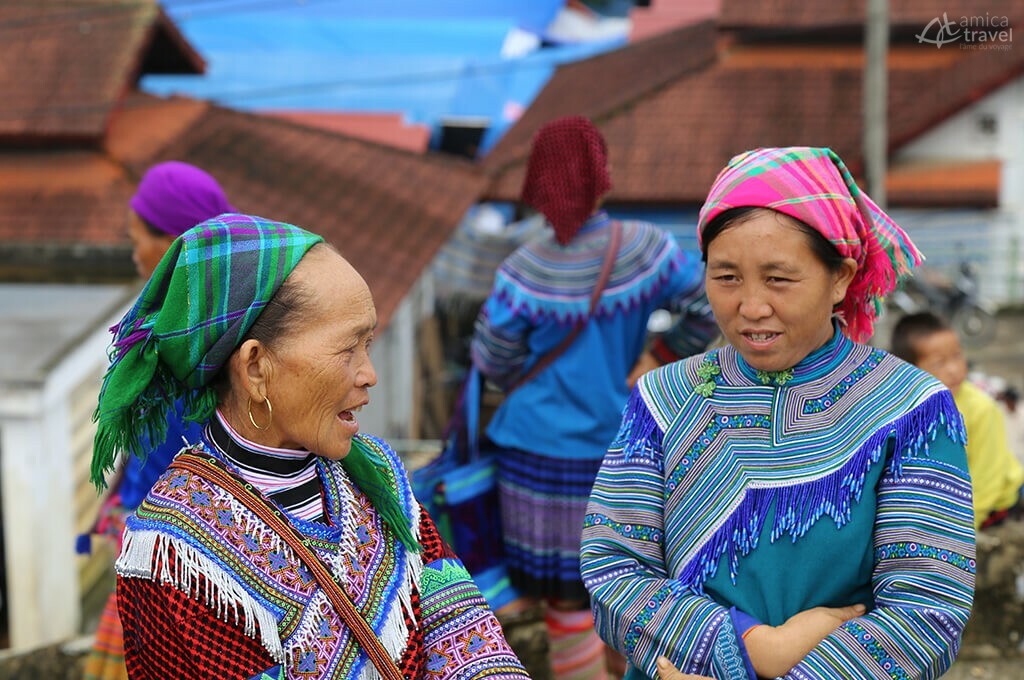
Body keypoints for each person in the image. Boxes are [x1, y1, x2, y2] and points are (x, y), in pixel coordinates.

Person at [581, 147, 976, 679]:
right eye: (726, 278)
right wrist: (752, 647)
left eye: (778, 279)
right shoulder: (662, 398)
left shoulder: (911, 410)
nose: (750, 307)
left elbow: (928, 606)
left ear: (840, 277)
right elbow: (613, 565)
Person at [91, 214, 530, 679]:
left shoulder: (376, 474)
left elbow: (460, 625)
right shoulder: (179, 557)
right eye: (347, 350)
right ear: (256, 368)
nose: (369, 375)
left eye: (369, 343)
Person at [470, 116, 717, 679]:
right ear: (601, 175)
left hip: (532, 454)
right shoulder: (647, 249)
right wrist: (656, 357)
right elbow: (708, 305)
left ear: (535, 183)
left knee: (565, 600)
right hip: (624, 449)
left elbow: (492, 357)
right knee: (632, 585)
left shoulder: (521, 269)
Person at [82, 160, 235, 680]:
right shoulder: (233, 318)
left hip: (170, 548)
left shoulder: (160, 336)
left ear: (172, 243)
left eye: (137, 238)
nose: (133, 252)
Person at [891, 311, 1024, 529]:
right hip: (949, 497)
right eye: (939, 363)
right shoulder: (903, 409)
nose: (954, 369)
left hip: (994, 503)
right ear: (909, 370)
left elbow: (987, 482)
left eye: (957, 356)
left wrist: (957, 531)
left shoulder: (981, 409)